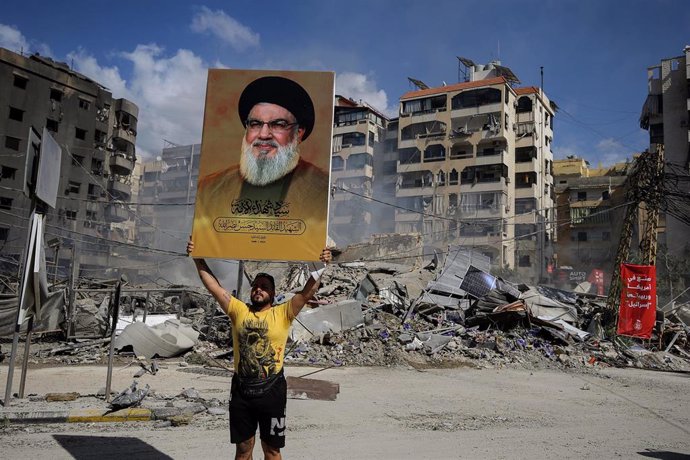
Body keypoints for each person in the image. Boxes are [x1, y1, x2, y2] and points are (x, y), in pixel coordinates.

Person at [187, 238, 331, 460]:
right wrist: (198, 258)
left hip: (272, 391)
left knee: (272, 451)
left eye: (264, 287)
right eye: (256, 286)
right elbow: (213, 286)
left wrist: (321, 267)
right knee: (243, 450)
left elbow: (306, 293)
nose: (258, 289)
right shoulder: (238, 310)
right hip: (242, 391)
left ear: (272, 294)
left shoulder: (283, 313)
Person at [192, 76, 329, 260]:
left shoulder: (320, 189)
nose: (264, 134)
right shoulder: (209, 189)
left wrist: (322, 257)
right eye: (255, 124)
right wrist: (197, 248)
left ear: (299, 133)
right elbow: (210, 241)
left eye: (279, 124)